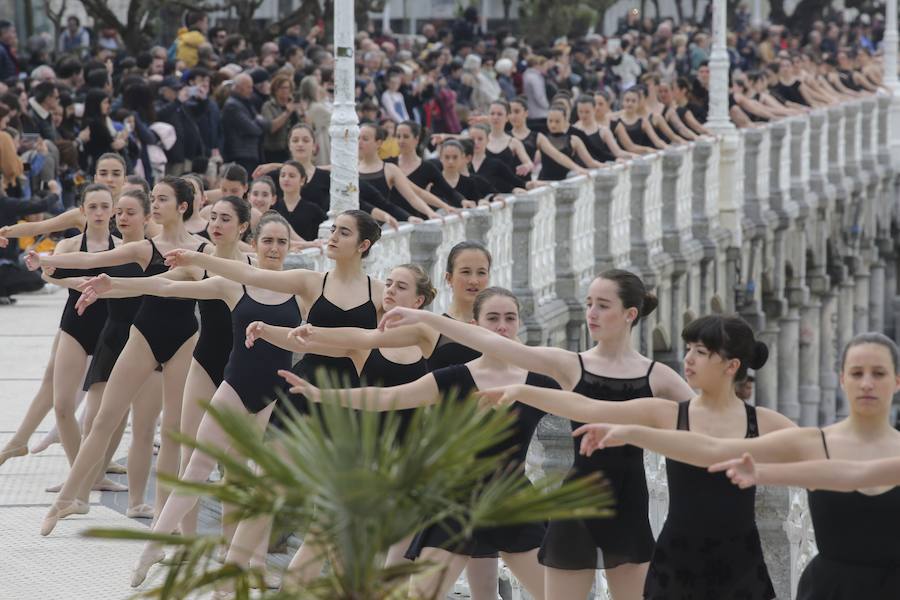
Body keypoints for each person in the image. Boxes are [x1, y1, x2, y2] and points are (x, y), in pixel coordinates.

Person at [376, 268, 693, 599]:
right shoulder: (570, 364)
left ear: (630, 314)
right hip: (575, 506)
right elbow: (491, 342)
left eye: (602, 305)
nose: (591, 313)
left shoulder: (660, 376)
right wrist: (425, 317)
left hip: (629, 505)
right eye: (588, 304)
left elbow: (705, 423)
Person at [478, 314, 793, 599]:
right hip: (678, 559)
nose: (688, 359)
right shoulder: (668, 412)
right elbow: (588, 407)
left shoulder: (765, 422)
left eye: (701, 352)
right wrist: (521, 391)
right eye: (688, 349)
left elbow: (814, 456)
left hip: (740, 561)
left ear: (731, 365)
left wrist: (768, 473)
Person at [281, 287, 556, 600]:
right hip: (455, 501)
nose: (502, 326)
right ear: (475, 326)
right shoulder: (455, 378)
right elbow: (388, 397)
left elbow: (587, 402)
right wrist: (322, 394)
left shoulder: (538, 381)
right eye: (493, 318)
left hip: (511, 500)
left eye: (510, 318)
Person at [580, 331, 900, 600]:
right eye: (857, 373)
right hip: (830, 589)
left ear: (897, 381)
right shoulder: (810, 441)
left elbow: (855, 474)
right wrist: (631, 433)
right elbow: (712, 448)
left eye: (879, 373)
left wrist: (765, 473)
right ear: (842, 380)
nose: (867, 384)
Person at [104, 210, 303, 587]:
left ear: (290, 247)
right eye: (267, 241)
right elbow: (165, 288)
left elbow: (330, 329)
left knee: (259, 482)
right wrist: (110, 283)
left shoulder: (299, 290)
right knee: (197, 468)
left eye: (282, 242)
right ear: (254, 244)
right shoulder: (233, 285)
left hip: (274, 396)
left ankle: (254, 564)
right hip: (236, 386)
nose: (274, 248)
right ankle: (153, 547)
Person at [37, 176, 212, 536]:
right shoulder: (147, 247)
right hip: (144, 334)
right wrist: (46, 258)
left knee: (173, 431)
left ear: (182, 206)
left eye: (162, 199)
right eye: (154, 198)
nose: (156, 204)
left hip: (184, 339)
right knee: (104, 419)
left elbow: (180, 281)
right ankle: (66, 499)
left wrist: (114, 284)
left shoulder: (201, 249)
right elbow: (93, 258)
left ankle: (164, 518)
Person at [222, 73, 265, 174]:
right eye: (248, 87)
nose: (251, 90)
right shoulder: (232, 105)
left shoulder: (245, 102)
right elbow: (253, 129)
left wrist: (257, 122)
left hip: (249, 152)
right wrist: (258, 121)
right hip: (240, 154)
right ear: (238, 87)